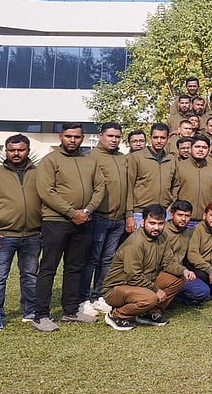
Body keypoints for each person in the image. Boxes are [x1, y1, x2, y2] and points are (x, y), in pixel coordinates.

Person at [34, 122, 106, 332]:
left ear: (82, 138)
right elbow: (46, 191)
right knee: (48, 268)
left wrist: (87, 211)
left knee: (75, 267)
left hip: (84, 220)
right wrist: (71, 213)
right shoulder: (50, 161)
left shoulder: (89, 161)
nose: (72, 140)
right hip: (56, 222)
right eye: (68, 136)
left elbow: (100, 186)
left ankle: (70, 310)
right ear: (60, 137)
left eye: (76, 136)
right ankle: (41, 315)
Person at [0, 134, 41, 331]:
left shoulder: (39, 174)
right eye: (12, 150)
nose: (16, 153)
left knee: (30, 275)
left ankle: (30, 310)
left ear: (28, 150)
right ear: (6, 150)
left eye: (20, 149)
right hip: (3, 236)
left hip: (32, 235)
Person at [99, 204, 183, 330]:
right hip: (116, 288)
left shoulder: (163, 237)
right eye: (152, 223)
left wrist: (184, 270)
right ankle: (116, 316)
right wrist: (156, 290)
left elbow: (168, 261)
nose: (156, 227)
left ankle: (149, 313)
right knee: (150, 298)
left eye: (160, 223)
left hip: (143, 282)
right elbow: (134, 276)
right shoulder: (135, 243)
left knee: (178, 277)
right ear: (143, 222)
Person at [82, 122, 130, 317]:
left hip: (118, 219)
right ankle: (84, 298)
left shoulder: (122, 158)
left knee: (108, 260)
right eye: (110, 136)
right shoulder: (91, 157)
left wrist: (127, 214)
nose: (114, 140)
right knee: (92, 259)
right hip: (99, 217)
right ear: (101, 135)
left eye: (117, 137)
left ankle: (99, 295)